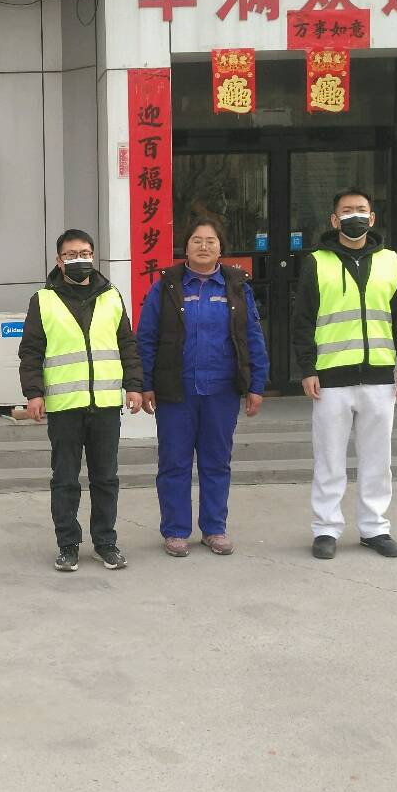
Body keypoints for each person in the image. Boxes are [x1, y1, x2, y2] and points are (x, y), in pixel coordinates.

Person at [291, 188, 397, 561]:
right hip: (331, 379)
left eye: (361, 209)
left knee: (378, 460)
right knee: (329, 459)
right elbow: (303, 320)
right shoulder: (316, 262)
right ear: (334, 220)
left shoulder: (390, 261)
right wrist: (307, 368)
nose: (354, 215)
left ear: (372, 218)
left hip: (379, 377)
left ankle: (374, 528)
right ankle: (326, 529)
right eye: (347, 210)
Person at [136, 217, 269, 557]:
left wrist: (256, 384)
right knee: (174, 463)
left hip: (221, 391)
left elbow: (252, 337)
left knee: (216, 462)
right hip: (176, 391)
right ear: (186, 246)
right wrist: (145, 383)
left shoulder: (236, 287)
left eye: (211, 241)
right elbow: (147, 338)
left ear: (221, 248)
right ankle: (176, 530)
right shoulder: (167, 287)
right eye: (197, 240)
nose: (204, 246)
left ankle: (214, 528)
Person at [19, 229, 144, 573]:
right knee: (65, 480)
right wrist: (33, 393)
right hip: (65, 406)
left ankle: (105, 543)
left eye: (85, 253)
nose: (79, 259)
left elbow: (127, 345)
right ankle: (68, 545)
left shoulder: (111, 296)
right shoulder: (43, 300)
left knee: (106, 478)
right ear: (59, 261)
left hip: (105, 405)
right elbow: (31, 351)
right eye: (71, 255)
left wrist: (134, 386)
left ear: (93, 256)